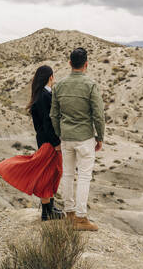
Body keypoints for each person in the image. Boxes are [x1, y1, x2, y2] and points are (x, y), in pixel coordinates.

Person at [0, 65, 63, 221]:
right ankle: (47, 212)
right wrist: (55, 142)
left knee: (51, 173)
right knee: (48, 175)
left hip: (44, 141)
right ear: (50, 77)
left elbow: (39, 125)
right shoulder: (45, 97)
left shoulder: (39, 95)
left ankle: (49, 209)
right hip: (50, 143)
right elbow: (47, 123)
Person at [50, 47, 105, 231]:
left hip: (66, 137)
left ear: (70, 63)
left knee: (67, 175)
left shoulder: (59, 85)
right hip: (84, 138)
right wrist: (100, 137)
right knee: (84, 177)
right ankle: (81, 218)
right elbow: (98, 114)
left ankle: (69, 213)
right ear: (86, 65)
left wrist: (60, 133)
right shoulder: (90, 85)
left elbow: (54, 114)